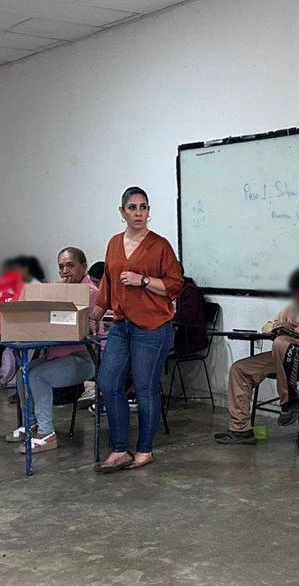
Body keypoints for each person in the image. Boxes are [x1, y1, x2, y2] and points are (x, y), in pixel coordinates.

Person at [88, 187, 184, 472]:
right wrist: (96, 312)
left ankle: (144, 450)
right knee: (108, 383)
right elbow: (108, 282)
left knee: (144, 387)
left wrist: (143, 280)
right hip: (121, 325)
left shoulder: (160, 245)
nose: (138, 213)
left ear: (149, 211)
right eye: (132, 207)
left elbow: (175, 285)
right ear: (122, 212)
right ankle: (120, 449)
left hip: (153, 327)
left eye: (143, 207)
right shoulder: (114, 243)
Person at [214, 266, 299, 444]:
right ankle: (240, 429)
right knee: (240, 369)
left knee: (283, 343)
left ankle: (290, 401)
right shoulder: (294, 307)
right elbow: (266, 326)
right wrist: (277, 327)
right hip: (285, 355)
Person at [8, 247, 100, 454]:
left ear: (83, 267)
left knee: (38, 376)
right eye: (61, 267)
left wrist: (56, 294)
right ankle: (31, 424)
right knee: (23, 373)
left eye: (70, 266)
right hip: (58, 354)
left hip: (85, 357)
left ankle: (47, 432)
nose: (65, 271)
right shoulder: (61, 290)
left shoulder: (90, 292)